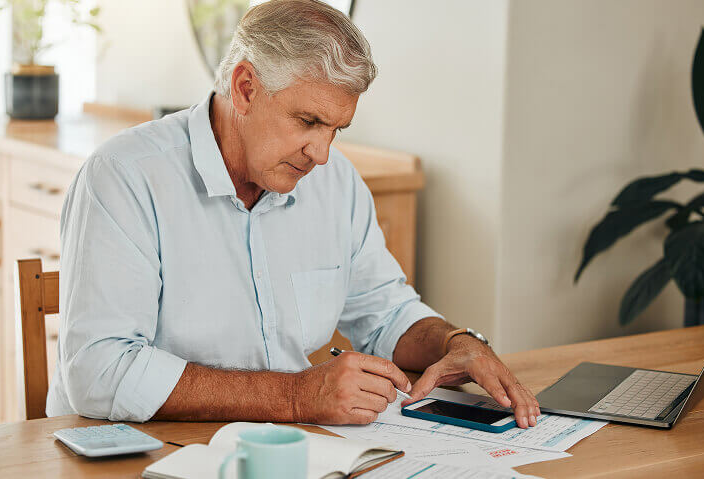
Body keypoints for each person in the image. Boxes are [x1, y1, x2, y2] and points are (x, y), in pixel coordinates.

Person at [46, 0, 540, 428]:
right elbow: (99, 371)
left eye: (336, 129)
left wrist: (456, 342)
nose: (321, 154)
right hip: (133, 452)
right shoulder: (125, 176)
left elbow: (385, 312)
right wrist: (297, 396)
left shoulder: (336, 181)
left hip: (287, 448)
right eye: (308, 121)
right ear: (245, 88)